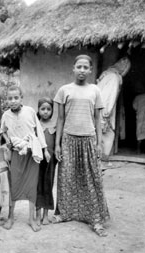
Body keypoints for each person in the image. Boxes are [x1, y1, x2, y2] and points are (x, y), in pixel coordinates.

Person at [54, 54, 110, 237]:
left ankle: (95, 219)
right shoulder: (64, 90)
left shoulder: (95, 90)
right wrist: (58, 144)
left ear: (90, 70)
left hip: (89, 140)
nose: (82, 70)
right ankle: (65, 213)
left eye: (86, 67)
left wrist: (99, 143)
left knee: (91, 179)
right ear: (73, 68)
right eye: (79, 66)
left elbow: (97, 118)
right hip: (69, 139)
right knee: (67, 177)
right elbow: (60, 119)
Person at [1, 86, 50, 232]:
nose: (13, 101)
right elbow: (2, 131)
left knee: (31, 187)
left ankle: (31, 219)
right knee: (14, 185)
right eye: (10, 98)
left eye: (16, 98)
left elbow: (39, 131)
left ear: (21, 98)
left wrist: (45, 149)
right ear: (7, 100)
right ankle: (10, 217)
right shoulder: (6, 115)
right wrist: (8, 140)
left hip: (31, 153)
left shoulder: (30, 112)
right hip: (16, 154)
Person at [96, 57, 131, 159]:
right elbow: (108, 97)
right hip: (103, 111)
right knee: (107, 135)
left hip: (97, 109)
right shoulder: (114, 77)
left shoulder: (107, 74)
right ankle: (102, 160)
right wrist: (106, 114)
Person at [35, 97, 57, 226]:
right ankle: (37, 215)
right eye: (42, 109)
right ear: (38, 109)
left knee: (48, 185)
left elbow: (57, 142)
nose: (45, 112)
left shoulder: (55, 124)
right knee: (37, 185)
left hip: (51, 161)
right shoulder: (36, 124)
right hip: (38, 160)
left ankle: (45, 216)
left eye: (48, 109)